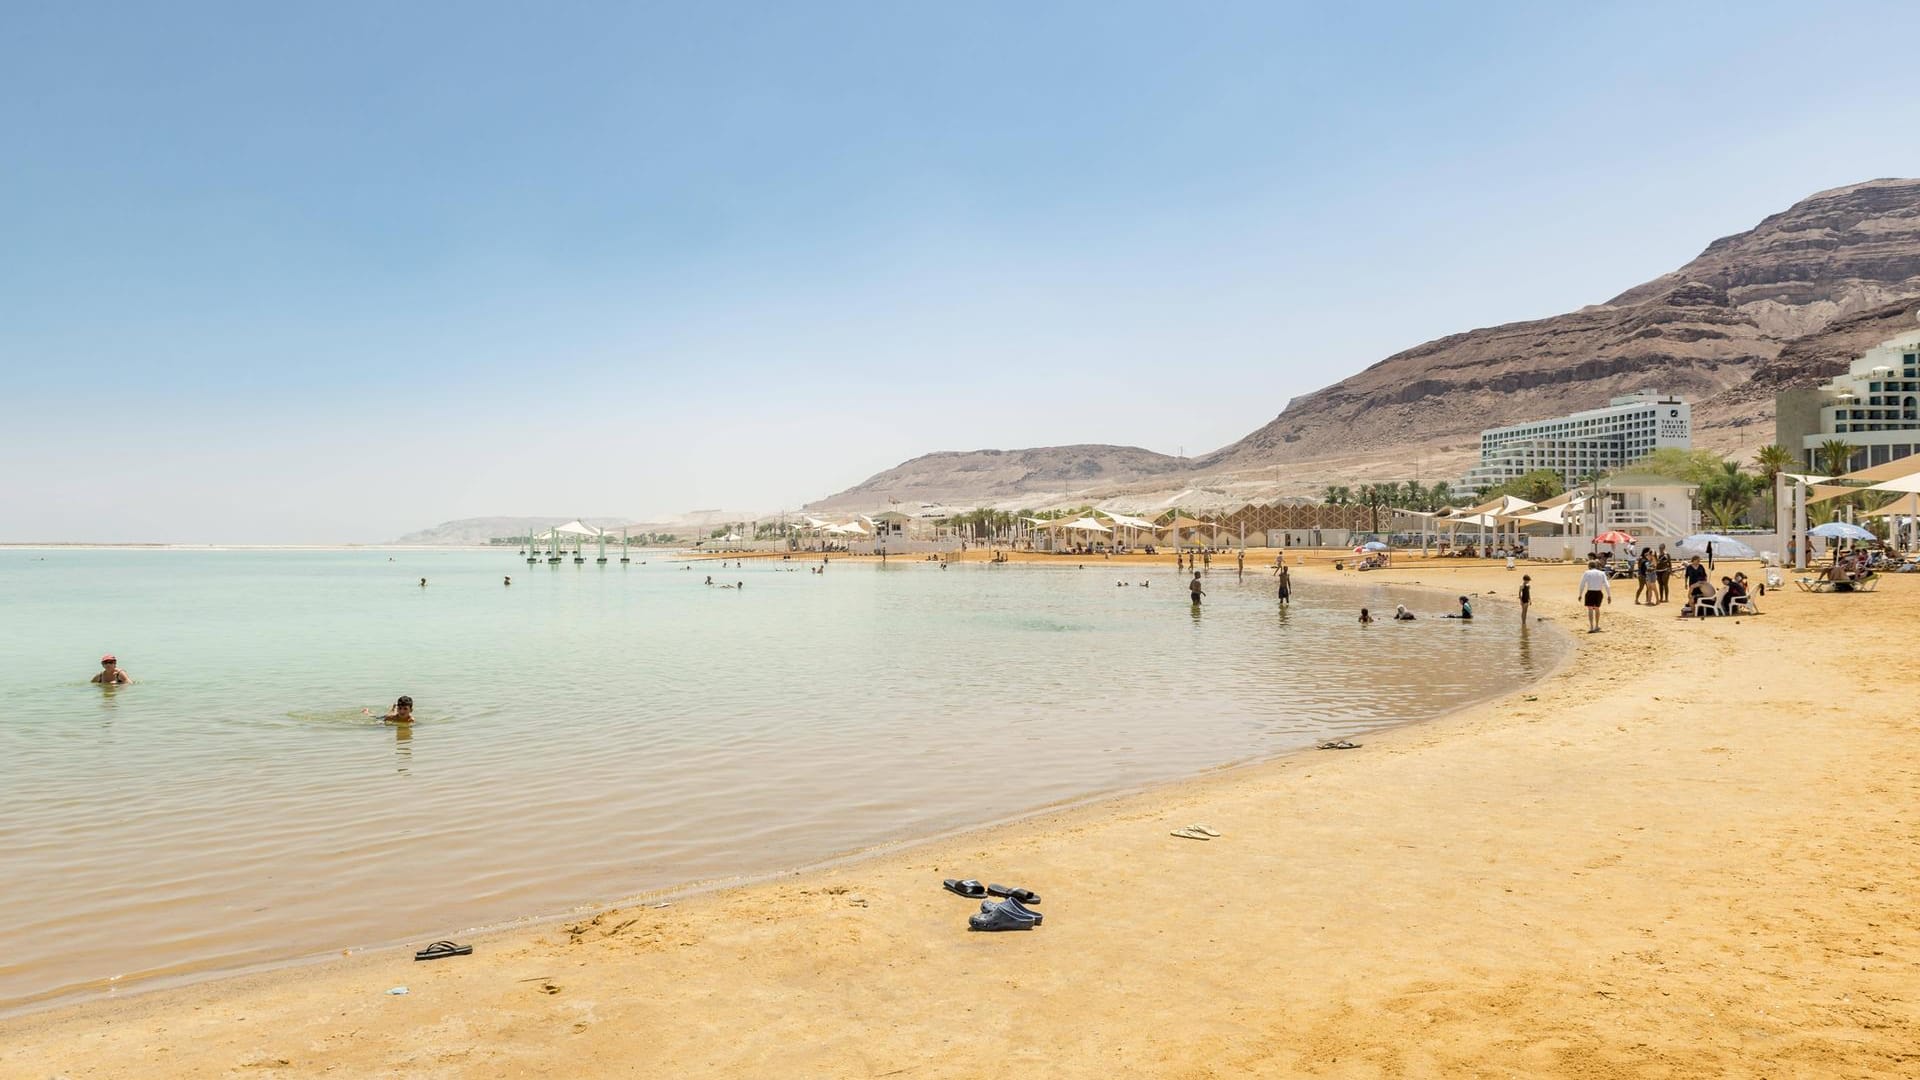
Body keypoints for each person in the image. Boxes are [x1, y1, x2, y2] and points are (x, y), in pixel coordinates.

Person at [1579, 560, 1612, 633]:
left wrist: (1580, 594)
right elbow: (1607, 585)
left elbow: (1582, 584)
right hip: (1598, 592)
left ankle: (1591, 626)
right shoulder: (1602, 573)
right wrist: (1609, 595)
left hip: (1590, 592)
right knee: (1597, 608)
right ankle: (1596, 625)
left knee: (1590, 609)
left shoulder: (1587, 573)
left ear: (1589, 566)